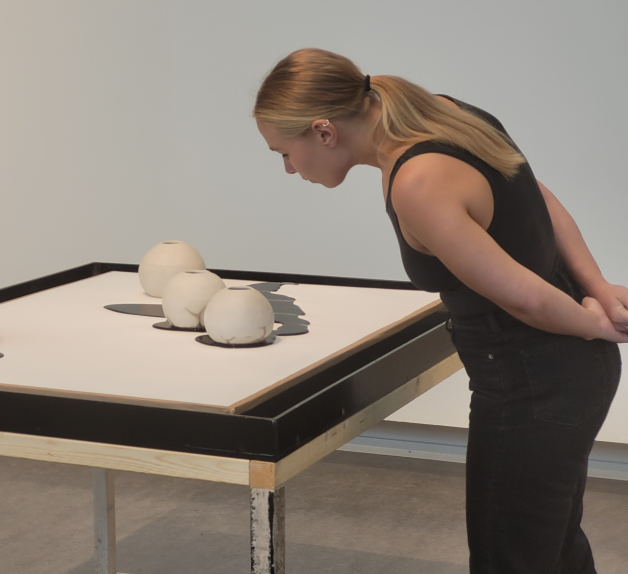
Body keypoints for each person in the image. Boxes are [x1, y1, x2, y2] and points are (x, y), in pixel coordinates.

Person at [253, 48, 628, 574]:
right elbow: (539, 197)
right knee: (552, 548)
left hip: (533, 385)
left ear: (324, 131)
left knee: (511, 559)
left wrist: (595, 322)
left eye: (284, 153)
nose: (289, 168)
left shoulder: (418, 182)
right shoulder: (443, 111)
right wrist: (598, 288)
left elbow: (524, 297)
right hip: (565, 374)